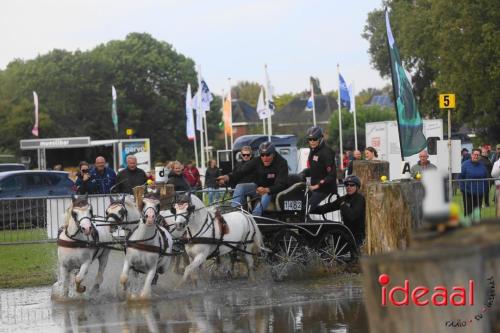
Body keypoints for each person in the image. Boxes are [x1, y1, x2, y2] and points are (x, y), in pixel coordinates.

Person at [218, 142, 289, 216]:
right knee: (240, 187)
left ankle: (255, 216)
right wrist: (228, 177)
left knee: (266, 194)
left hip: (273, 191)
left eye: (268, 155)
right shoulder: (257, 160)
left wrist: (267, 189)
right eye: (262, 155)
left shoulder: (282, 163)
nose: (265, 158)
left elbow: (282, 184)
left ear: (273, 154)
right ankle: (234, 213)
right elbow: (241, 171)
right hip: (258, 188)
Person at [310, 175, 365, 247]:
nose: (348, 187)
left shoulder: (359, 199)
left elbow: (352, 216)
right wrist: (309, 208)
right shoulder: (344, 198)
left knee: (336, 229)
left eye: (352, 185)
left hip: (356, 234)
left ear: (357, 187)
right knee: (325, 228)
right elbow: (326, 208)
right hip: (345, 232)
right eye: (347, 185)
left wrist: (342, 204)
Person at [300, 126, 337, 212]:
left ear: (320, 139)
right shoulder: (313, 151)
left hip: (324, 188)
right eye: (310, 139)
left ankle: (307, 220)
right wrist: (303, 173)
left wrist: (317, 185)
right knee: (300, 205)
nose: (312, 141)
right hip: (314, 187)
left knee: (305, 209)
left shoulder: (327, 152)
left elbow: (332, 175)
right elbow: (314, 169)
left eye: (314, 139)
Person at [460, 148, 488, 216]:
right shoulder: (465, 165)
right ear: (471, 155)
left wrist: (484, 189)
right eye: (475, 154)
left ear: (480, 156)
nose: (476, 156)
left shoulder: (482, 166)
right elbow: (460, 177)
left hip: (479, 193)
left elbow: (485, 178)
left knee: (477, 211)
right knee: (468, 211)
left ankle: (477, 225)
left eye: (478, 155)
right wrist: (463, 189)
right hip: (468, 193)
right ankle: (467, 225)